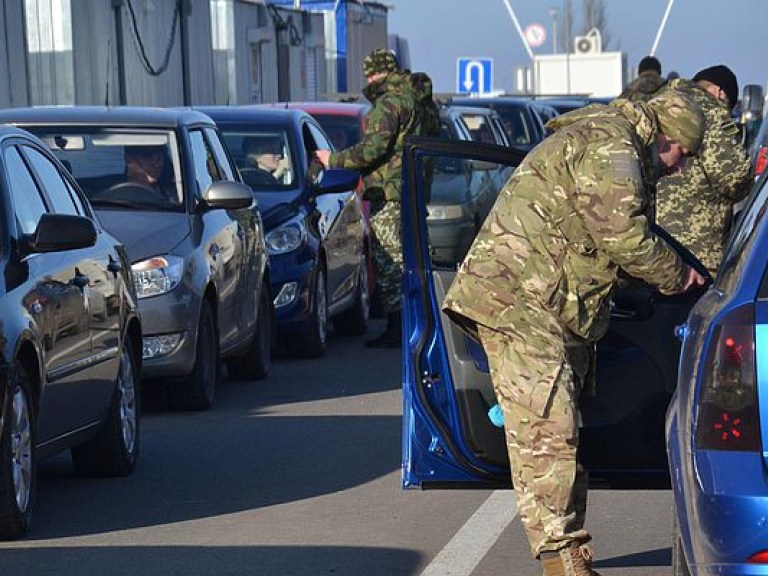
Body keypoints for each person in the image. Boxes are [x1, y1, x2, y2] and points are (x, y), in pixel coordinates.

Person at [441, 92, 707, 576]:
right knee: (549, 431)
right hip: (520, 302)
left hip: (545, 304)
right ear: (664, 136)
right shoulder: (613, 146)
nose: (681, 168)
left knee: (558, 429)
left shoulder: (616, 141)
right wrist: (678, 277)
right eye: (682, 154)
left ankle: (568, 553)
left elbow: (594, 237)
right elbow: (623, 236)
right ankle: (562, 560)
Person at [315, 48, 440, 348]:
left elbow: (373, 150)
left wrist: (332, 159)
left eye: (369, 74)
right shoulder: (421, 102)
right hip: (415, 189)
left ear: (375, 73)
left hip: (390, 191)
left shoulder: (389, 103)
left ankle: (399, 328)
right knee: (412, 258)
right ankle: (418, 322)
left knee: (389, 260)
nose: (368, 80)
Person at [655, 65, 753, 278]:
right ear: (720, 92)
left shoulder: (660, 103)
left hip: (652, 248)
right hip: (695, 252)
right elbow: (734, 179)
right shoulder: (713, 113)